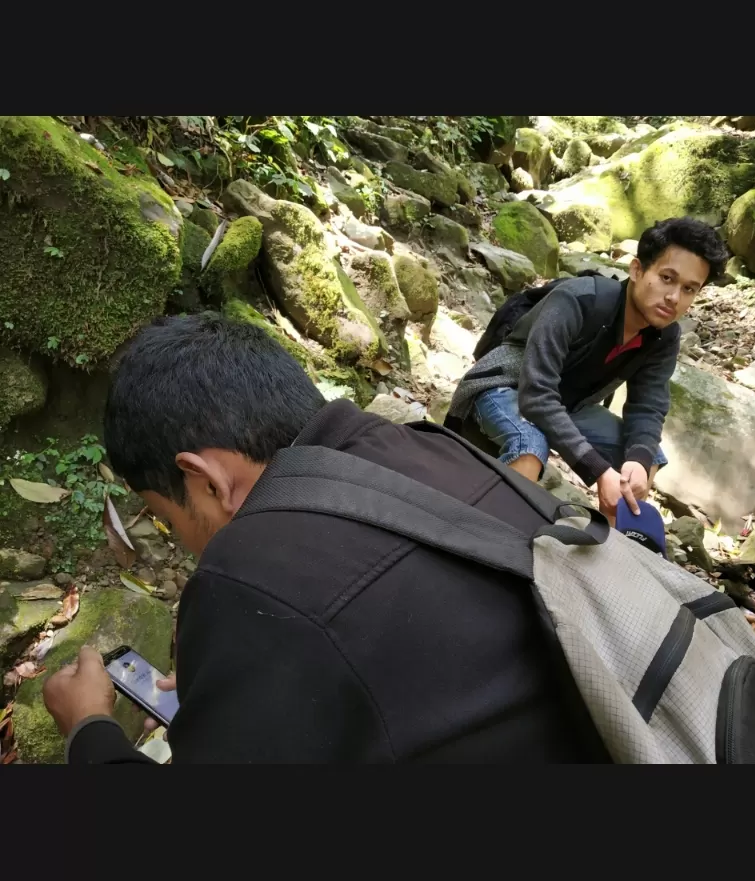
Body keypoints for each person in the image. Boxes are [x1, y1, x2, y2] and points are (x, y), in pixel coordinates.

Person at [42, 313, 609, 765]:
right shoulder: (433, 448)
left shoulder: (253, 573)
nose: (183, 541)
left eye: (168, 517)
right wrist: (248, 684)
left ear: (206, 480)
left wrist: (89, 730)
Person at [446, 217, 728, 522]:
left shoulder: (664, 336)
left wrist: (637, 458)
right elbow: (536, 395)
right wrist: (597, 469)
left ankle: (602, 548)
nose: (674, 297)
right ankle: (487, 535)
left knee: (646, 459)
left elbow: (648, 407)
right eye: (667, 278)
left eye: (689, 289)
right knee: (529, 444)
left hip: (570, 403)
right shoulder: (579, 299)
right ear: (637, 270)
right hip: (505, 384)